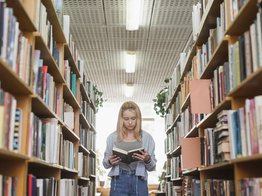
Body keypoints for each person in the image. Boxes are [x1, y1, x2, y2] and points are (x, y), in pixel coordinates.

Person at [103, 101, 157, 196]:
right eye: (126, 119)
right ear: (121, 119)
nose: (130, 122)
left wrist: (147, 159)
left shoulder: (147, 138)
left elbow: (152, 167)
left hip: (139, 181)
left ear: (138, 119)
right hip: (118, 180)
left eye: (133, 118)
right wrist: (110, 161)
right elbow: (105, 164)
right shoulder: (112, 137)